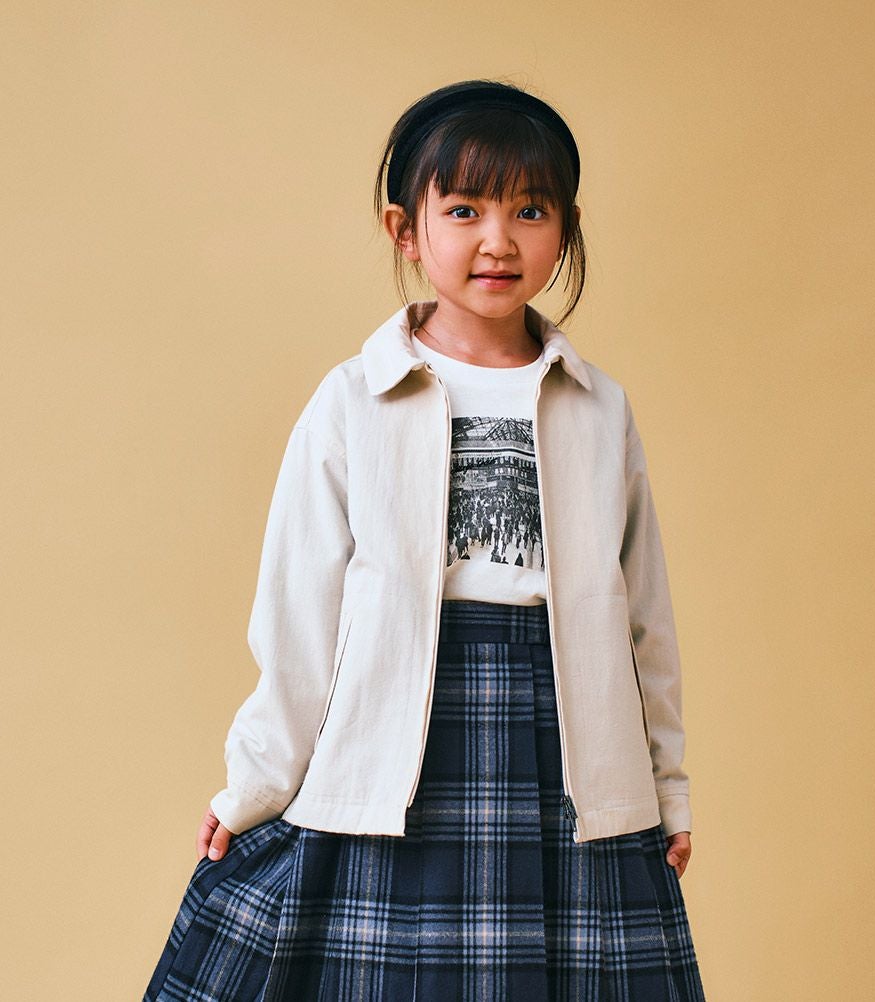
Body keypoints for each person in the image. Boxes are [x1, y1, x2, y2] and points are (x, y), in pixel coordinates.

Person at [144, 78, 706, 1001]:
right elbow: (298, 614)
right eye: (465, 209)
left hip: (569, 746)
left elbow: (645, 619)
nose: (499, 239)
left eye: (531, 210)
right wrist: (255, 785)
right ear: (406, 231)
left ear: (567, 228)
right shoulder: (352, 399)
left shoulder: (601, 407)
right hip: (396, 733)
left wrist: (666, 788)